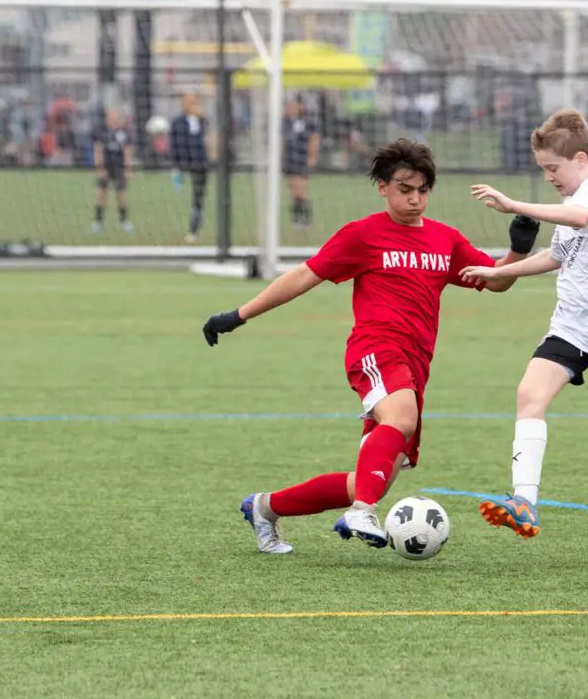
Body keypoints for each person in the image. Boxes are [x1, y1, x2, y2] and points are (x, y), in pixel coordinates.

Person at [202, 139, 540, 554]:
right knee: (399, 421)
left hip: (415, 367)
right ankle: (363, 511)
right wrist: (240, 314)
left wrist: (518, 249)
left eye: (422, 190)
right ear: (383, 187)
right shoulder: (362, 235)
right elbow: (304, 277)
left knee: (371, 475)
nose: (415, 199)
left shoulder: (445, 240)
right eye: (404, 189)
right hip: (375, 350)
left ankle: (264, 508)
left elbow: (498, 280)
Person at [458, 109, 588, 545]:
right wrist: (497, 273)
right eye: (543, 169)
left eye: (553, 168)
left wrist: (513, 204)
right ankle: (524, 500)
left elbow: (582, 219)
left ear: (581, 159)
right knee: (529, 394)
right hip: (571, 326)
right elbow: (556, 256)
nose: (548, 176)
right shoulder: (570, 204)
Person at [168, 93, 212, 243]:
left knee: (198, 197)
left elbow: (208, 141)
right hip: (183, 163)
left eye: (194, 102)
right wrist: (175, 165)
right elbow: (173, 144)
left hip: (199, 164)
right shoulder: (177, 122)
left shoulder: (202, 121)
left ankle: (194, 229)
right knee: (178, 197)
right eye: (189, 102)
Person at [91, 109, 133, 234]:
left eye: (116, 117)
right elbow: (98, 150)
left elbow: (128, 151)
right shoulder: (101, 131)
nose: (114, 119)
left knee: (122, 195)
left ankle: (124, 221)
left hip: (119, 167)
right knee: (101, 194)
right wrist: (99, 168)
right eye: (112, 117)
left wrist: (128, 169)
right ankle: (98, 222)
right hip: (106, 166)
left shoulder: (125, 132)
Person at [283, 96, 319, 226]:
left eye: (293, 105)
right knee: (293, 192)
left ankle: (306, 219)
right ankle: (296, 219)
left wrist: (312, 157)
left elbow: (314, 140)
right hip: (289, 160)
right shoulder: (285, 122)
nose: (290, 108)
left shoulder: (308, 122)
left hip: (302, 160)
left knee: (300, 191)